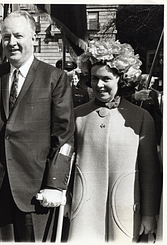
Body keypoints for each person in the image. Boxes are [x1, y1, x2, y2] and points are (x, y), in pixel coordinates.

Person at [0, 10, 75, 242]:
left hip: (35, 189)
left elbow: (63, 135)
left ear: (33, 38)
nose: (11, 43)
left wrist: (55, 184)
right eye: (6, 37)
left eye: (18, 36)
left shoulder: (54, 78)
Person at [67, 40, 162, 242]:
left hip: (125, 211)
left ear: (121, 78)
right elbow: (66, 162)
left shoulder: (141, 117)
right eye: (94, 79)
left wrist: (149, 214)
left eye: (106, 78)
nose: (99, 85)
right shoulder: (77, 116)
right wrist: (67, 201)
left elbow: (149, 172)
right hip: (84, 210)